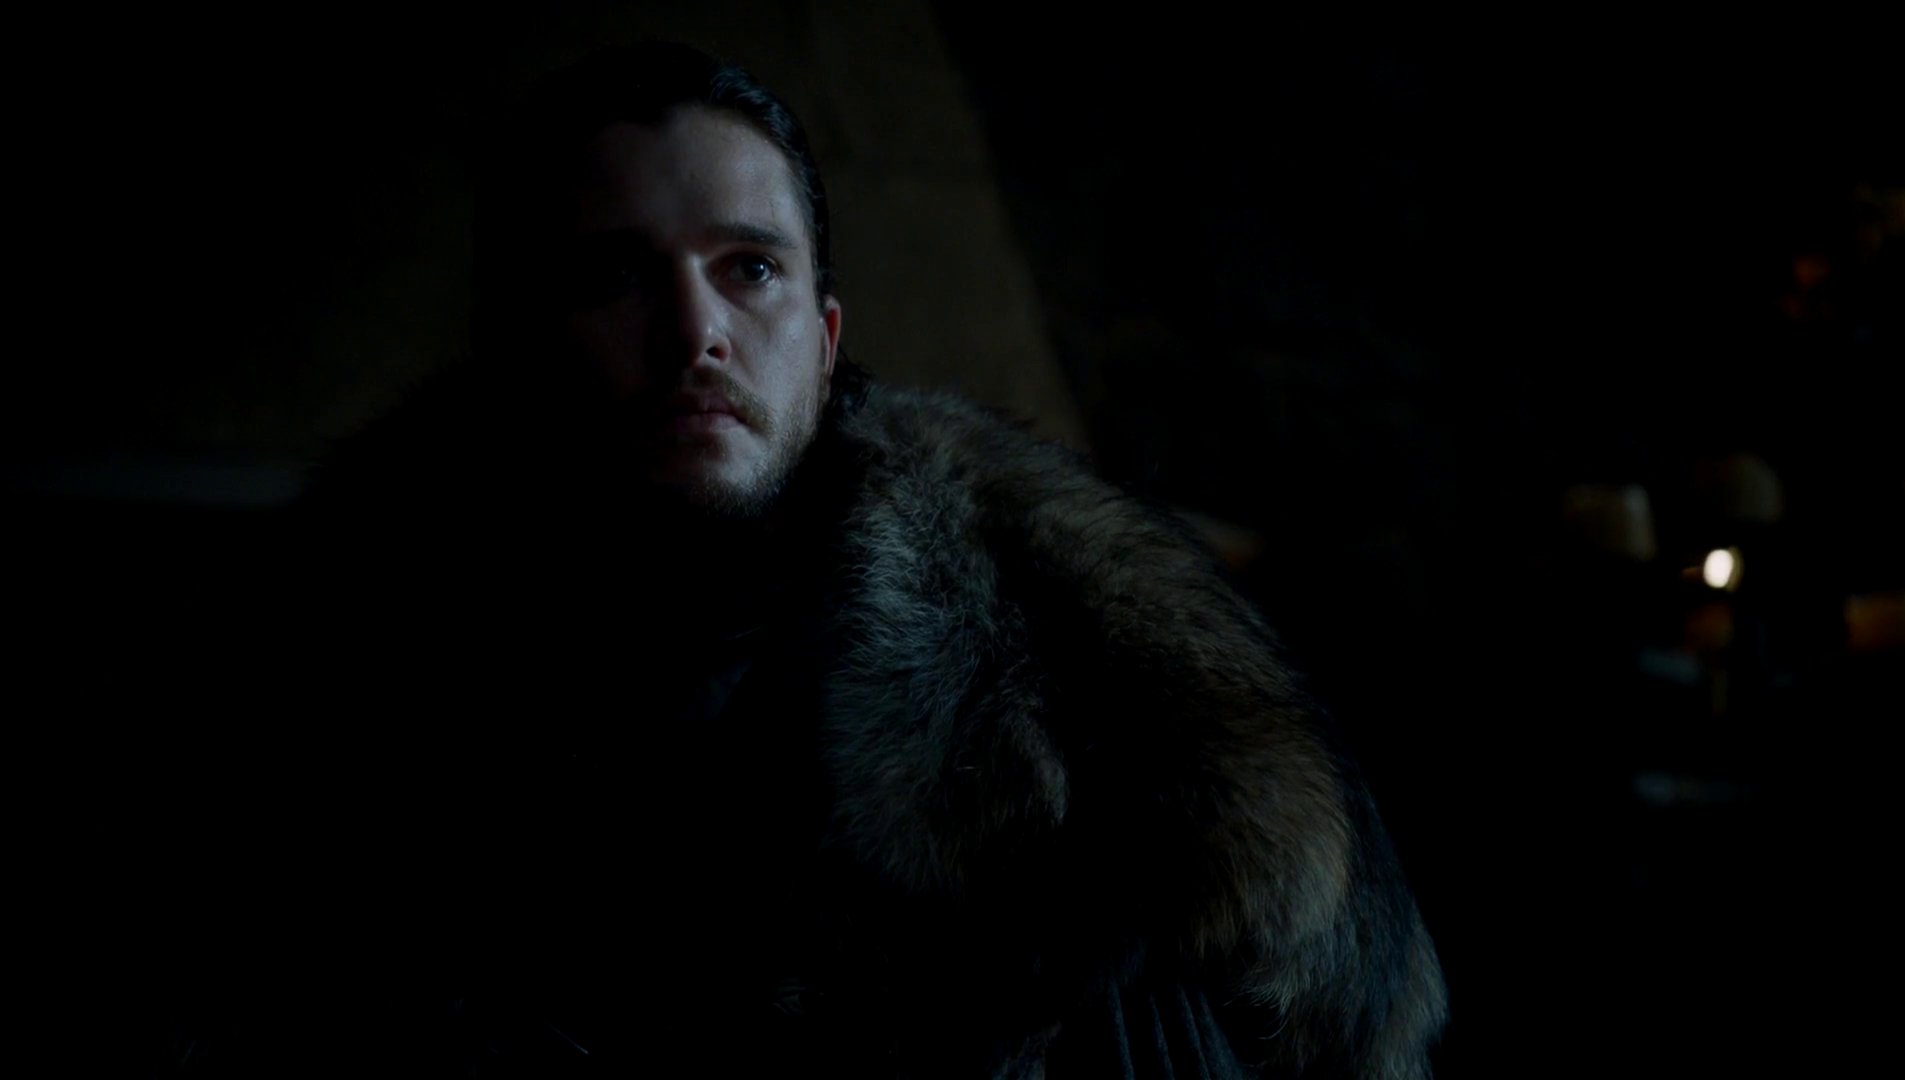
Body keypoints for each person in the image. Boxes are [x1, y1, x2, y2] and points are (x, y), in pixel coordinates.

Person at [177, 41, 1444, 1077]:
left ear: (827, 342)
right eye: (619, 277)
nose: (697, 331)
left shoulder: (1075, 708)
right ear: (521, 352)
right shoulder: (349, 693)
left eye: (750, 270)